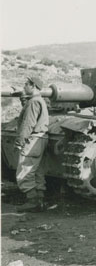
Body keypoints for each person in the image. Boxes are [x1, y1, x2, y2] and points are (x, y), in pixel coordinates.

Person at [14, 76, 49, 212]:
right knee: (37, 171)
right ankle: (40, 200)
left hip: (33, 139)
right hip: (41, 139)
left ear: (33, 86)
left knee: (25, 170)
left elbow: (28, 124)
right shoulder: (39, 101)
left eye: (26, 84)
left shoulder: (33, 102)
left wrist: (20, 141)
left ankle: (32, 201)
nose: (24, 86)